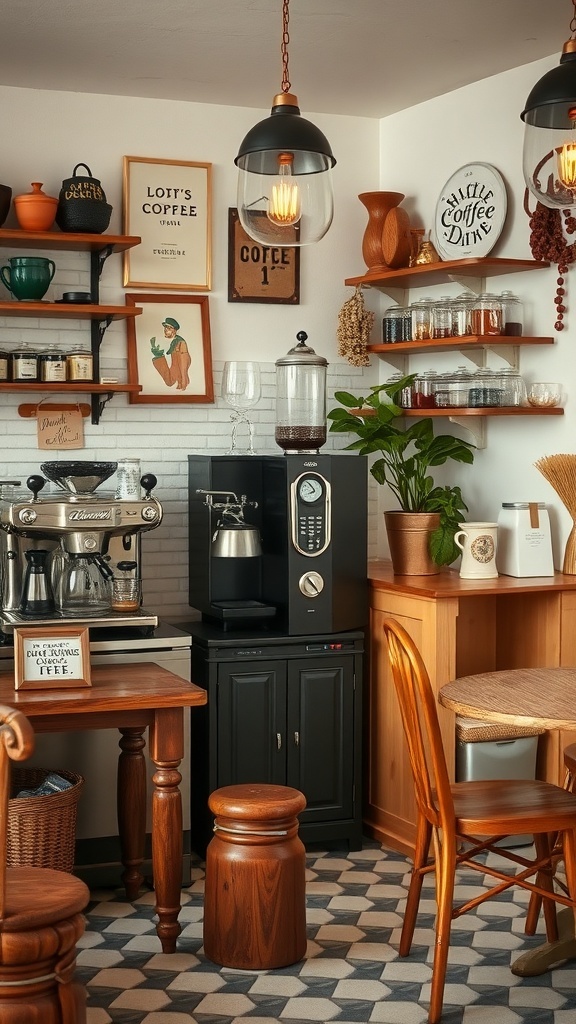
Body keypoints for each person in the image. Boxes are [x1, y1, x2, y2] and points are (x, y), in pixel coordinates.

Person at [149, 317, 191, 390]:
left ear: (174, 330)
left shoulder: (180, 343)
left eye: (169, 328)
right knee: (169, 382)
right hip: (175, 368)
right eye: (165, 327)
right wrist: (158, 356)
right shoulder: (173, 342)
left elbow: (184, 361)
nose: (165, 330)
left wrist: (184, 378)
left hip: (180, 371)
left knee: (170, 382)